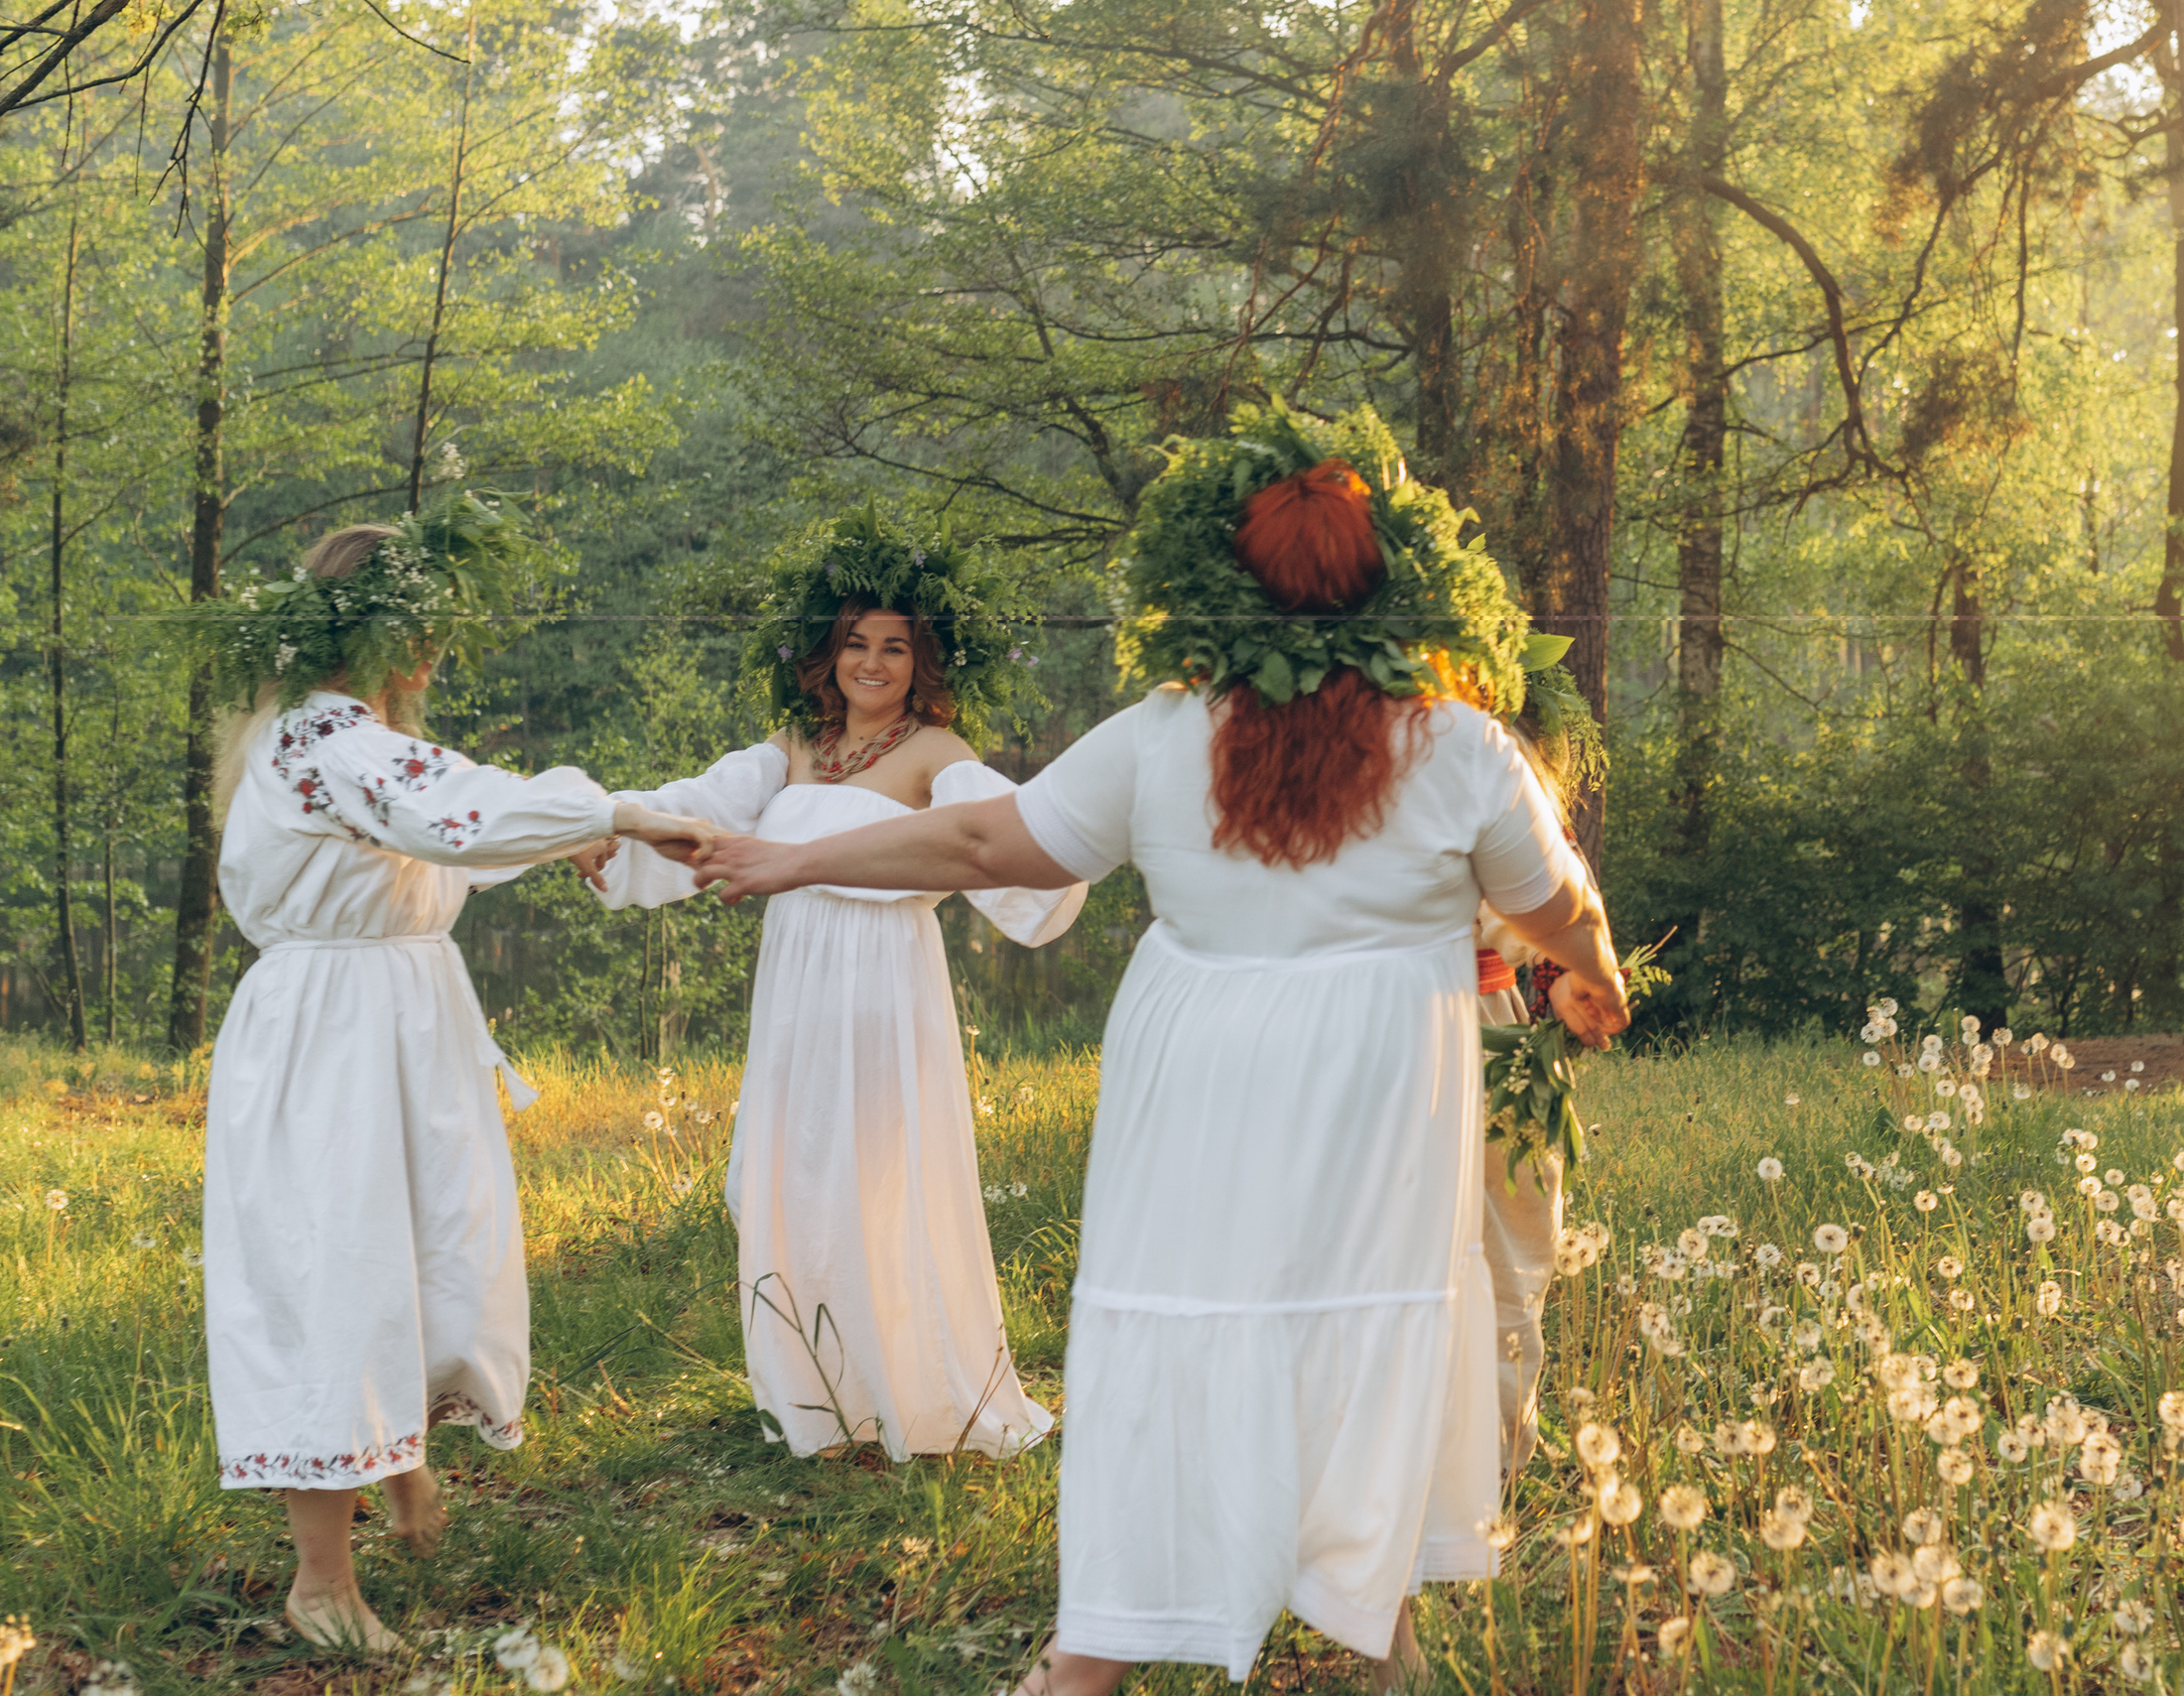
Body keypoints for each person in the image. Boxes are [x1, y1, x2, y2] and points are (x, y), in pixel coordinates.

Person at [692, 408, 1628, 1694]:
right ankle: (1362, 1626)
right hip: (1377, 1080)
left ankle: (1125, 1651)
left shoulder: (1165, 727)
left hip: (1200, 1074)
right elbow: (1555, 902)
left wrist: (799, 854)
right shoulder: (1457, 742)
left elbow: (981, 845)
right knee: (1356, 1318)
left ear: (1223, 592)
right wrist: (1597, 971)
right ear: (1384, 585)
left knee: (1189, 1321)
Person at [193, 497, 715, 1652]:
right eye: (425, 628)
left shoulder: (342, 741)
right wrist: (622, 811)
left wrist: (561, 836)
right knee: (334, 1265)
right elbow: (456, 812)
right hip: (333, 1036)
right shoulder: (325, 740)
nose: (437, 653)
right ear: (376, 632)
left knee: (425, 1244)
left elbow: (438, 846)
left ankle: (406, 1477)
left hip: (394, 1015)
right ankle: (320, 1580)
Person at [581, 512, 1083, 1462]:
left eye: (895, 645)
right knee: (797, 1176)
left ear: (921, 659)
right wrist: (619, 825)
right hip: (796, 987)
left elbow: (1002, 839)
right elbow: (703, 804)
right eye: (857, 641)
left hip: (885, 985)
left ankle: (909, 1392)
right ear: (829, 651)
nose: (873, 661)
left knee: (882, 1177)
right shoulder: (795, 747)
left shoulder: (937, 752)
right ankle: (816, 1400)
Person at [1469, 647, 1610, 1474]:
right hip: (1484, 1024)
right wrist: (1570, 975)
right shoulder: (1493, 765)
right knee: (1506, 1242)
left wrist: (1559, 979)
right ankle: (1493, 1452)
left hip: (1383, 1027)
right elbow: (1553, 905)